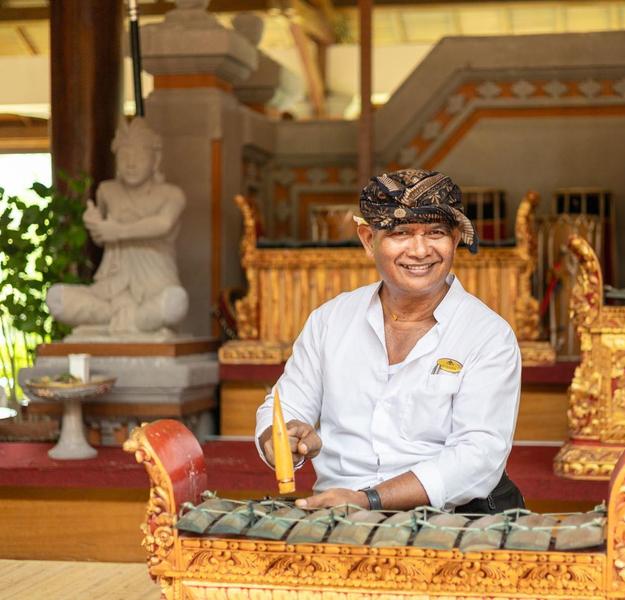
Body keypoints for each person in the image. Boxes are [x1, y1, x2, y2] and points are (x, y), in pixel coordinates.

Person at [255, 169, 523, 513]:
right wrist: (281, 438)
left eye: (436, 233)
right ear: (369, 240)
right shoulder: (331, 320)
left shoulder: (487, 335)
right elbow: (285, 404)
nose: (420, 250)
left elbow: (478, 456)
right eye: (401, 233)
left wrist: (368, 500)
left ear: (455, 240)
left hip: (449, 520)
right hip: (335, 512)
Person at [46, 118, 189, 337]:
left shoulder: (171, 194)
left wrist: (118, 231)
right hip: (111, 288)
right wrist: (95, 225)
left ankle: (123, 318)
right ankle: (130, 319)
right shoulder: (107, 191)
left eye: (139, 156)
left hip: (155, 285)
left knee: (175, 303)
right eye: (124, 156)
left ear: (156, 160)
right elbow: (101, 238)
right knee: (57, 299)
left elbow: (163, 224)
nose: (131, 163)